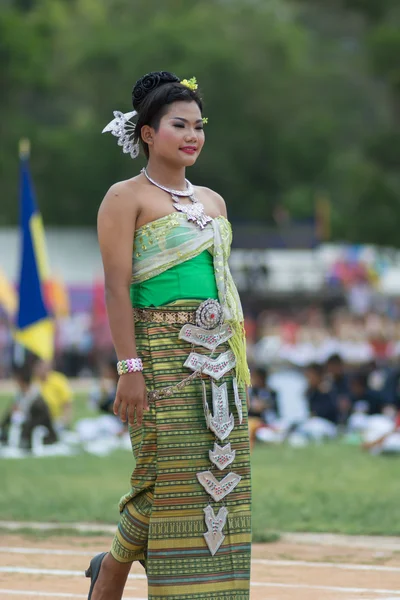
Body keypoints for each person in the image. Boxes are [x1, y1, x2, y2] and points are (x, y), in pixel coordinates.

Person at [86, 71, 252, 600]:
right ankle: (111, 571)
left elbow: (223, 292)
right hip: (157, 357)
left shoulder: (214, 201)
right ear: (147, 133)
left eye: (199, 126)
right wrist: (128, 369)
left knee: (215, 477)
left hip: (218, 363)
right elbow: (116, 289)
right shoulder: (124, 197)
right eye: (179, 124)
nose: (192, 136)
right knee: (160, 476)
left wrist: (238, 363)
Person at [33, 359, 73, 431]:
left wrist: (64, 421)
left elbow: (67, 404)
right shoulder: (33, 381)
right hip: (37, 419)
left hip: (55, 420)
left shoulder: (58, 380)